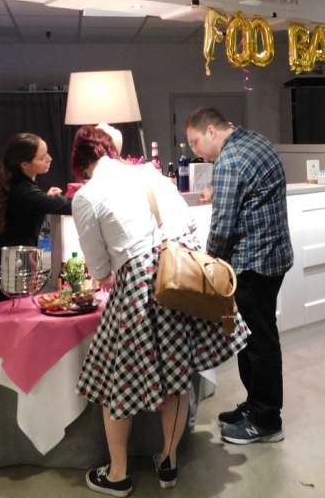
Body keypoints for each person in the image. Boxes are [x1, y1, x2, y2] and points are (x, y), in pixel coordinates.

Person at [71, 126, 248, 496]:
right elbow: (188, 224)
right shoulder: (148, 173)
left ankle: (118, 474)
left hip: (137, 283)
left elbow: (99, 268)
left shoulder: (86, 195)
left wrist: (111, 271)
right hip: (178, 277)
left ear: (82, 163)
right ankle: (168, 461)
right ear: (113, 152)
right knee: (176, 375)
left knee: (118, 381)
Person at [185, 107, 293, 445]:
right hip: (273, 257)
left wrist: (207, 266)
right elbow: (251, 195)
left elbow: (222, 228)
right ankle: (255, 406)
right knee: (253, 338)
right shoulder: (254, 140)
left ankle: (266, 420)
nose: (195, 151)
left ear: (211, 131)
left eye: (195, 142)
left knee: (257, 342)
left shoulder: (228, 162)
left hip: (252, 263)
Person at [0, 133, 74, 303]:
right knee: (12, 313)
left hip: (0, 260)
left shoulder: (17, 184)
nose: (50, 159)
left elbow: (28, 205)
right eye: (42, 157)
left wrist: (45, 199)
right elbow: (70, 206)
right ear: (24, 164)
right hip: (6, 267)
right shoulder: (26, 193)